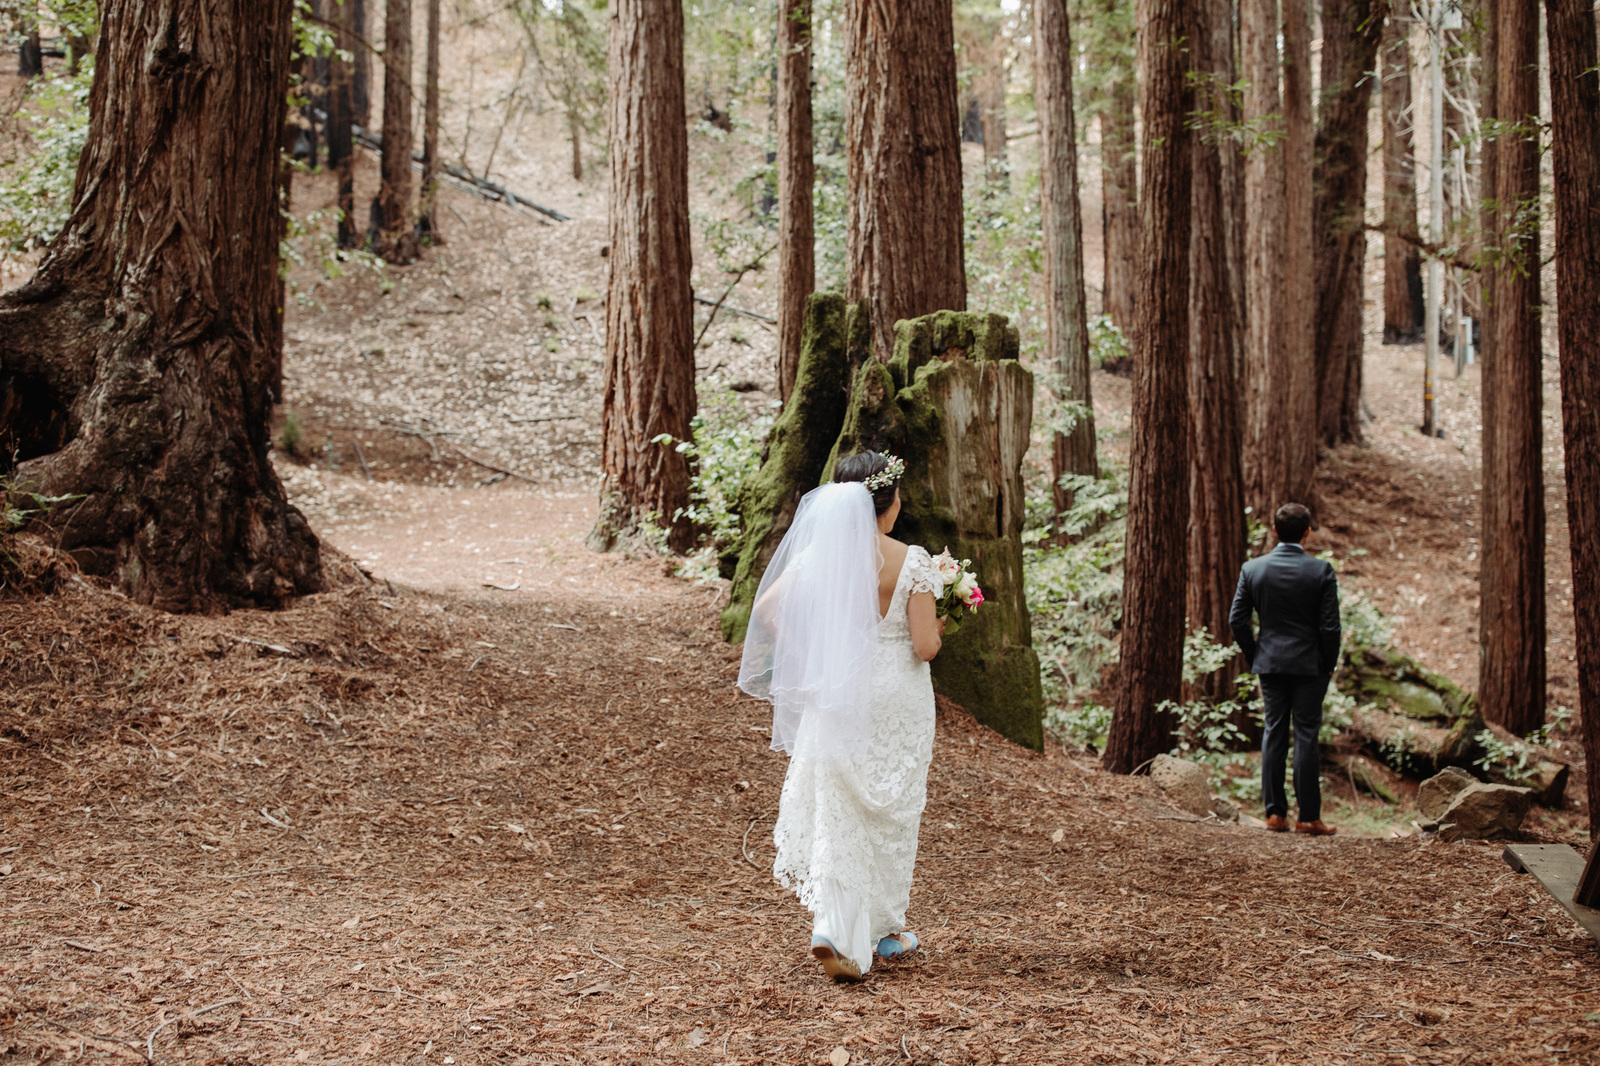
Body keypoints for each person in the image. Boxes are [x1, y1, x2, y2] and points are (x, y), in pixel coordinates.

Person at [737, 450, 946, 982]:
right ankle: (872, 930)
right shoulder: (912, 560)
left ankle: (848, 927)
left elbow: (768, 611)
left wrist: (811, 659)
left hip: (838, 691)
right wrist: (944, 623)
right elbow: (924, 646)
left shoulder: (820, 556)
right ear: (889, 503)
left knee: (840, 806)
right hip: (897, 698)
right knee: (890, 811)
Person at [1228, 502, 1342, 836]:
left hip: (1271, 663)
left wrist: (1256, 654)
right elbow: (1330, 628)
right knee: (1306, 733)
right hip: (1310, 666)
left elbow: (1237, 620)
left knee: (1274, 731)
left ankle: (1275, 814)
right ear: (1307, 532)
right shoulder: (1320, 571)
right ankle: (1308, 817)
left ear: (1275, 531)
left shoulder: (1253, 569)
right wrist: (1327, 663)